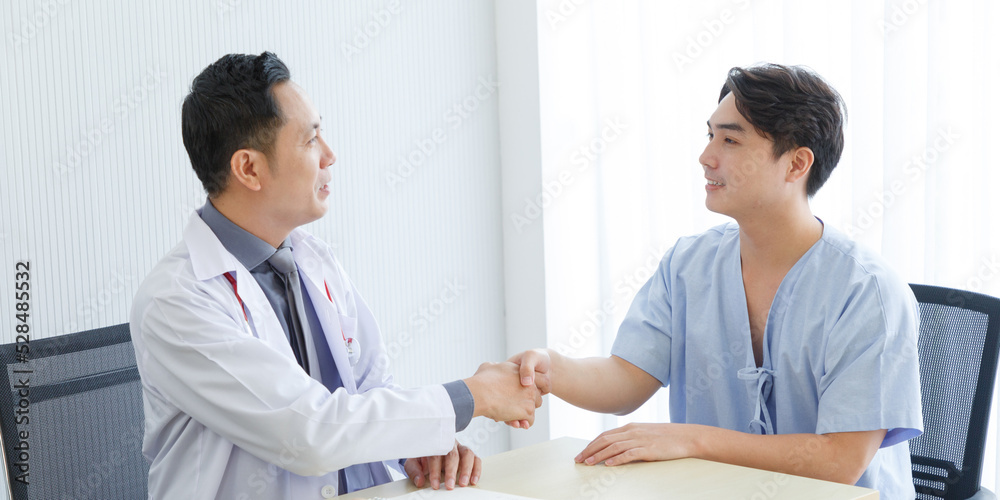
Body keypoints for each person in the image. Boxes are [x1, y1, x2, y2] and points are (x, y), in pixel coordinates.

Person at [130, 52, 545, 499]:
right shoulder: (177, 300)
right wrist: (474, 395)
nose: (330, 155)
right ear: (249, 168)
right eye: (310, 141)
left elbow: (370, 386)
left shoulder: (313, 258)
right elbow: (309, 433)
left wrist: (411, 445)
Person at [511, 63, 923, 498]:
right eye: (710, 136)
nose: (707, 157)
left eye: (730, 140)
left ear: (796, 163)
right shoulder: (689, 264)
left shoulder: (867, 293)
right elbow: (626, 380)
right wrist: (549, 368)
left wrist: (692, 440)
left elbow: (838, 461)